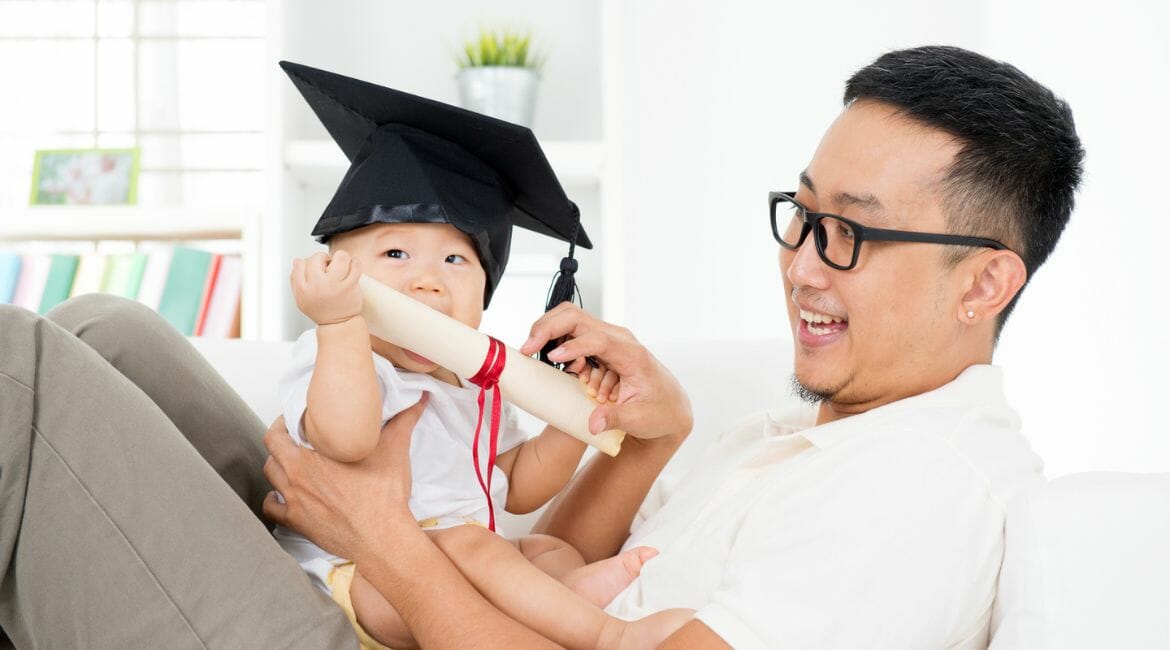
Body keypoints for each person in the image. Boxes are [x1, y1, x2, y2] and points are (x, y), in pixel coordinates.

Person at [0, 44, 1082, 649]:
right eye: (797, 216)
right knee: (110, 330)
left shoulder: (922, 485)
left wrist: (384, 532)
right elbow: (541, 565)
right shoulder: (813, 427)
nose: (801, 262)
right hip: (400, 592)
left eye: (846, 231)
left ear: (985, 279)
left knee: (19, 368)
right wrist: (656, 443)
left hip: (383, 621)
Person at [274, 60, 691, 650]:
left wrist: (575, 415)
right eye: (395, 253)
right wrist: (340, 324)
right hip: (352, 582)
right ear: (341, 274)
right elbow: (345, 439)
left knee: (545, 550)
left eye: (456, 261)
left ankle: (555, 600)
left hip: (462, 560)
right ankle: (606, 635)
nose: (428, 281)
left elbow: (515, 485)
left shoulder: (472, 382)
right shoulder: (341, 356)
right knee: (475, 549)